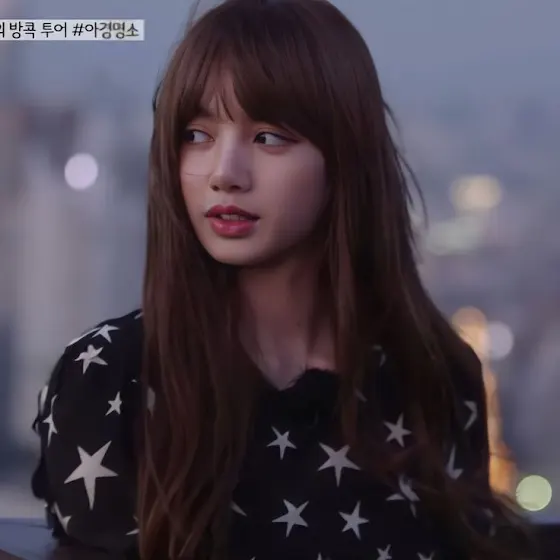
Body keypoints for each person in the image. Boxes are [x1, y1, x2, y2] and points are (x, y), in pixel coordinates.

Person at [30, 0, 533, 559]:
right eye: (196, 134)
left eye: (268, 138)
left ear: (344, 157)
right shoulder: (109, 378)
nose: (224, 173)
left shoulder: (433, 380)